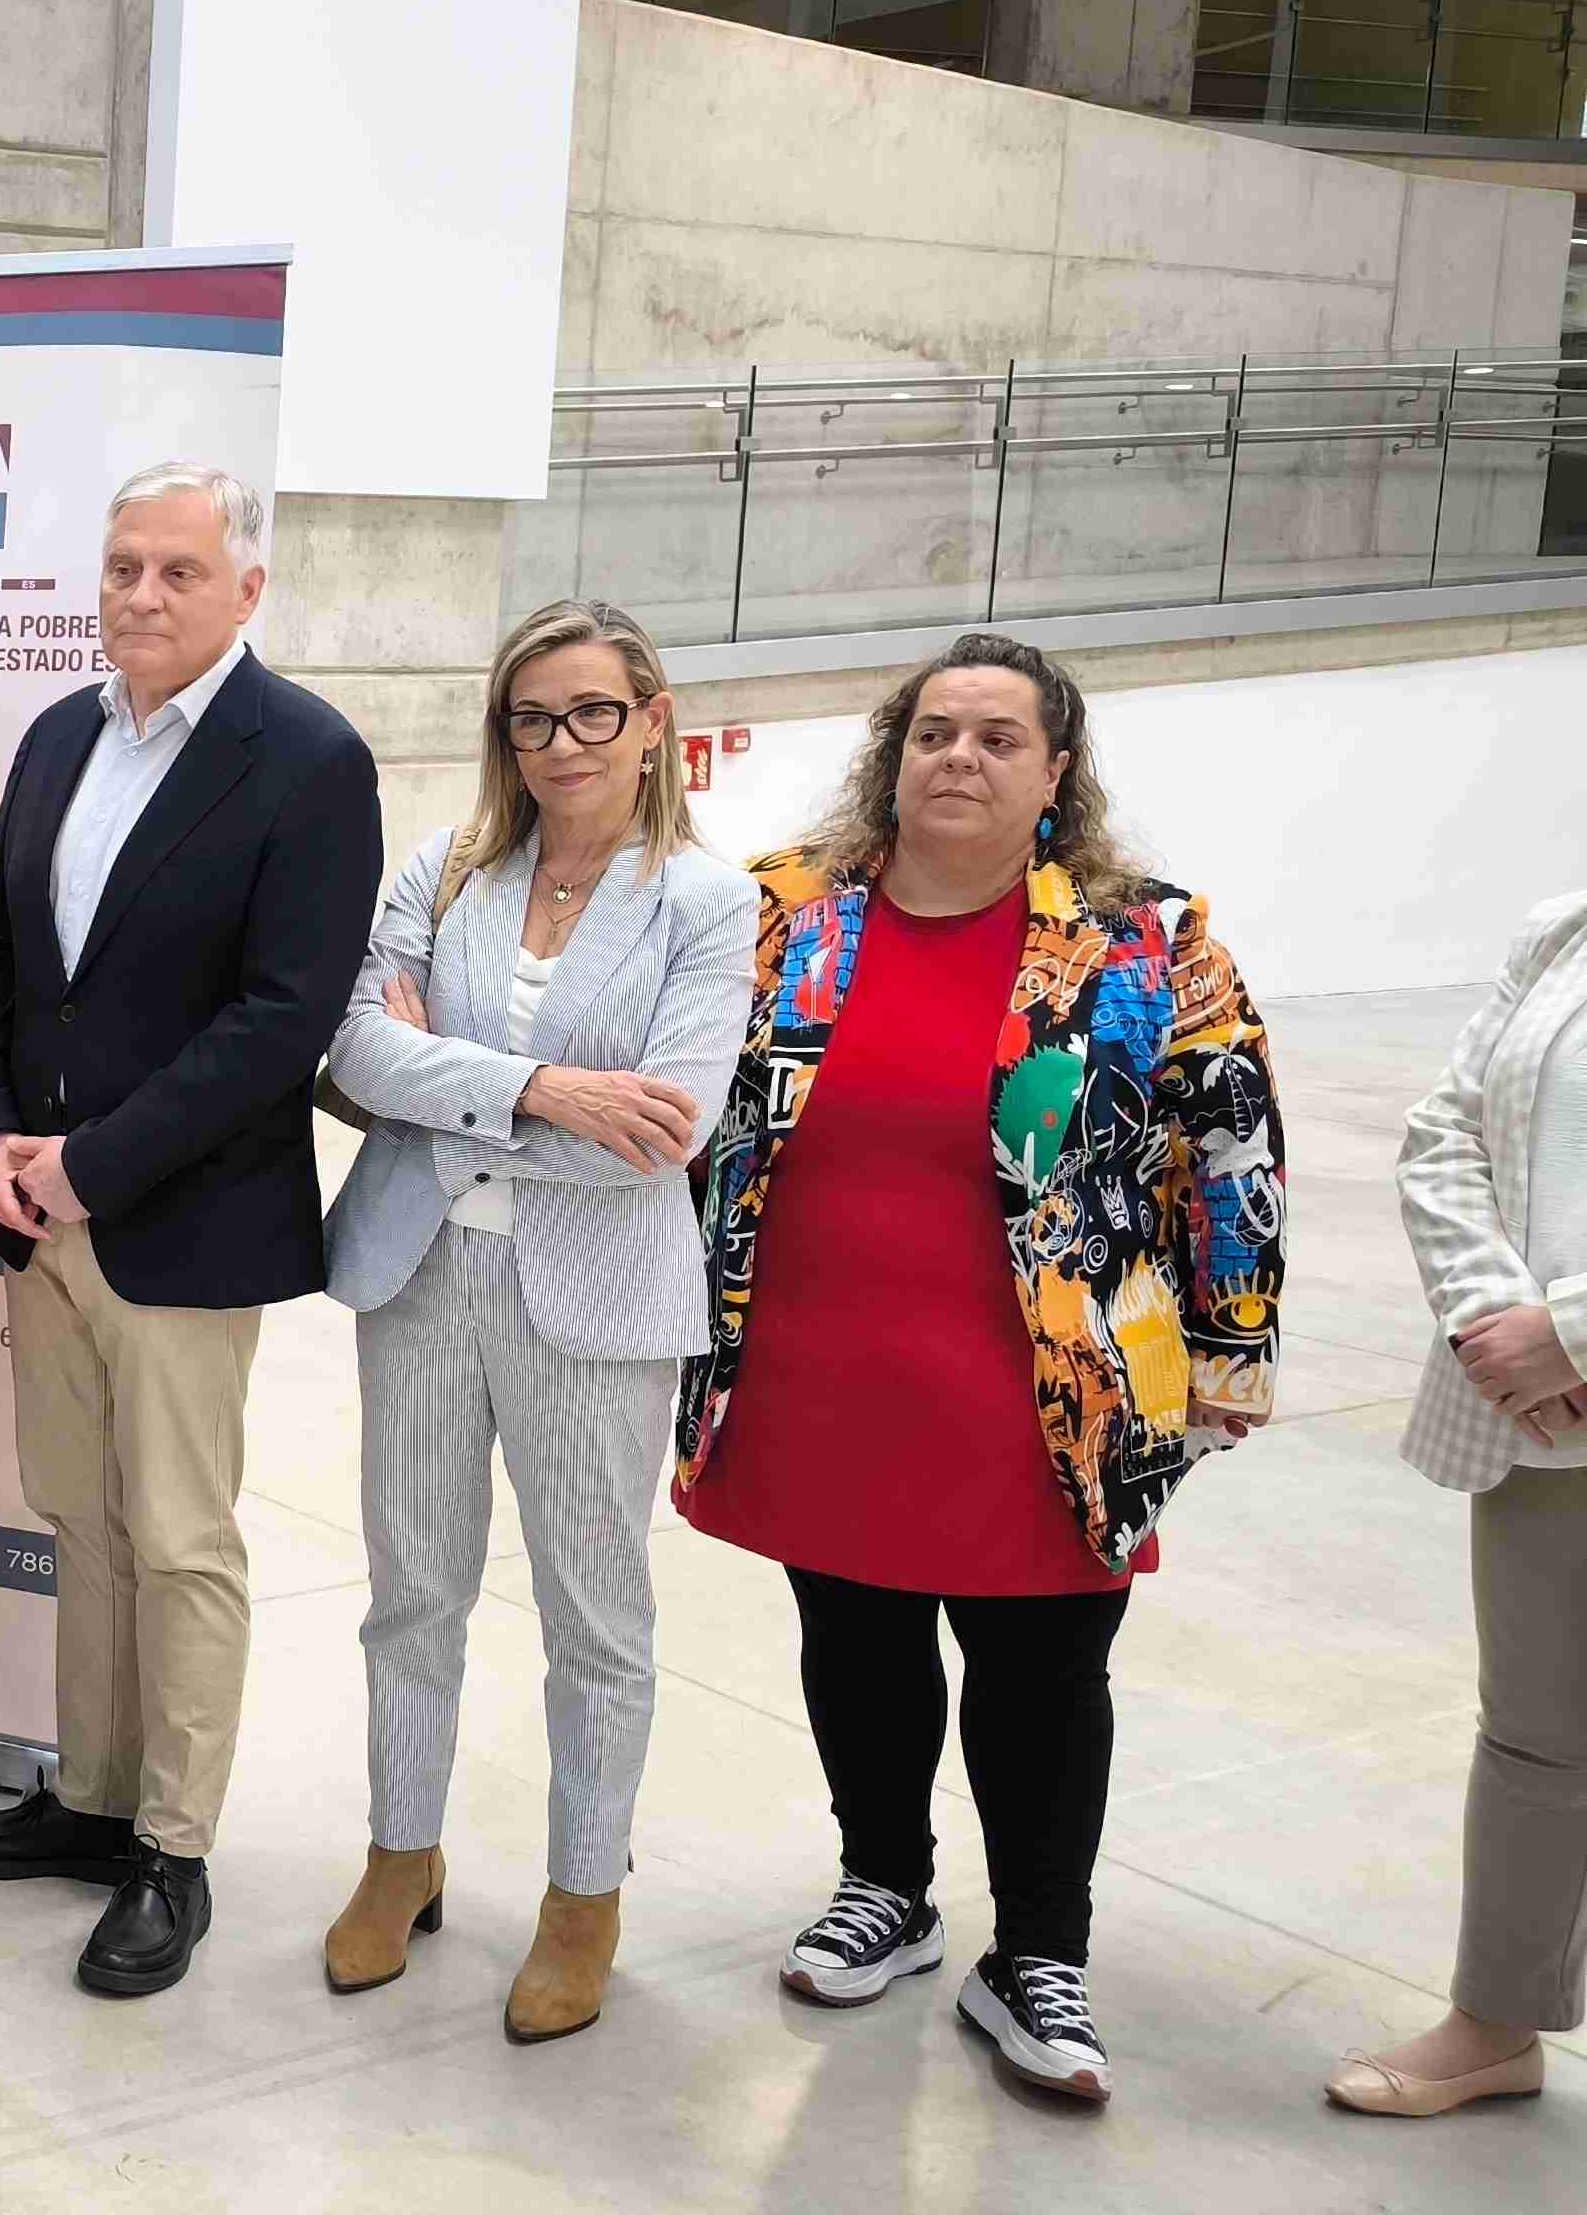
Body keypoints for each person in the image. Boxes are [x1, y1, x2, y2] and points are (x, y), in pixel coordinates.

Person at [676, 631, 1285, 2106]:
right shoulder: (781, 914)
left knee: (1045, 1671)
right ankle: (884, 1886)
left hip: (1053, 1382)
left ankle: (1039, 1956)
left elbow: (1231, 1141)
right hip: (819, 1358)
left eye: (999, 738)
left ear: (1055, 771)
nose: (960, 757)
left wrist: (1233, 1344)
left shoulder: (1148, 939)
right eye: (934, 732)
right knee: (855, 1637)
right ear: (893, 754)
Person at [0, 461, 383, 2000]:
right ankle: (95, 1797)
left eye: (178, 571)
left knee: (182, 1539)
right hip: (39, 1212)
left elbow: (281, 1020)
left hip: (177, 1224)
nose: (141, 594)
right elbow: (3, 953)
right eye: (123, 565)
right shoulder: (60, 733)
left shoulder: (308, 758)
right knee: (82, 1514)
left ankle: (173, 1852)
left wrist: (94, 1166)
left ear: (247, 589)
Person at [318, 599, 751, 2042]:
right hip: (421, 1275)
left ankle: (582, 1897)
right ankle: (401, 1851)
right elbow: (354, 1050)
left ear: (652, 721)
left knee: (595, 1616)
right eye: (530, 718)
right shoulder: (448, 869)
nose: (561, 744)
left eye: (592, 713)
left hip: (597, 1300)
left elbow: (666, 1130)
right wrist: (543, 1089)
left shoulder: (704, 902)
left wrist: (442, 1076)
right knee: (412, 1590)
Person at [1326, 887, 1587, 2117]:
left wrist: (1571, 1334)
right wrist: (1495, 1318)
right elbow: (1446, 1131)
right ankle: (1493, 2027)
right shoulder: (1564, 926)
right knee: (1538, 1737)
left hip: (1558, 1373)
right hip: (1541, 1417)